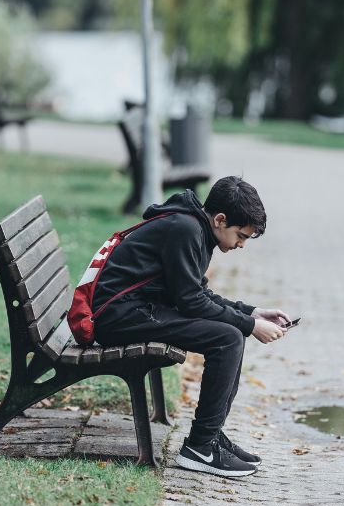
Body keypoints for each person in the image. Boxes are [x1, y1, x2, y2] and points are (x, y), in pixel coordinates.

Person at [93, 176, 290, 477]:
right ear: (221, 220)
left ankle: (209, 437)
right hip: (118, 316)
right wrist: (250, 325)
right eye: (241, 236)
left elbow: (197, 293)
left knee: (231, 334)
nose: (241, 244)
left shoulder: (196, 228)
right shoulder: (185, 229)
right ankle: (200, 447)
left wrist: (253, 313)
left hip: (136, 310)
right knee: (228, 338)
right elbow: (191, 302)